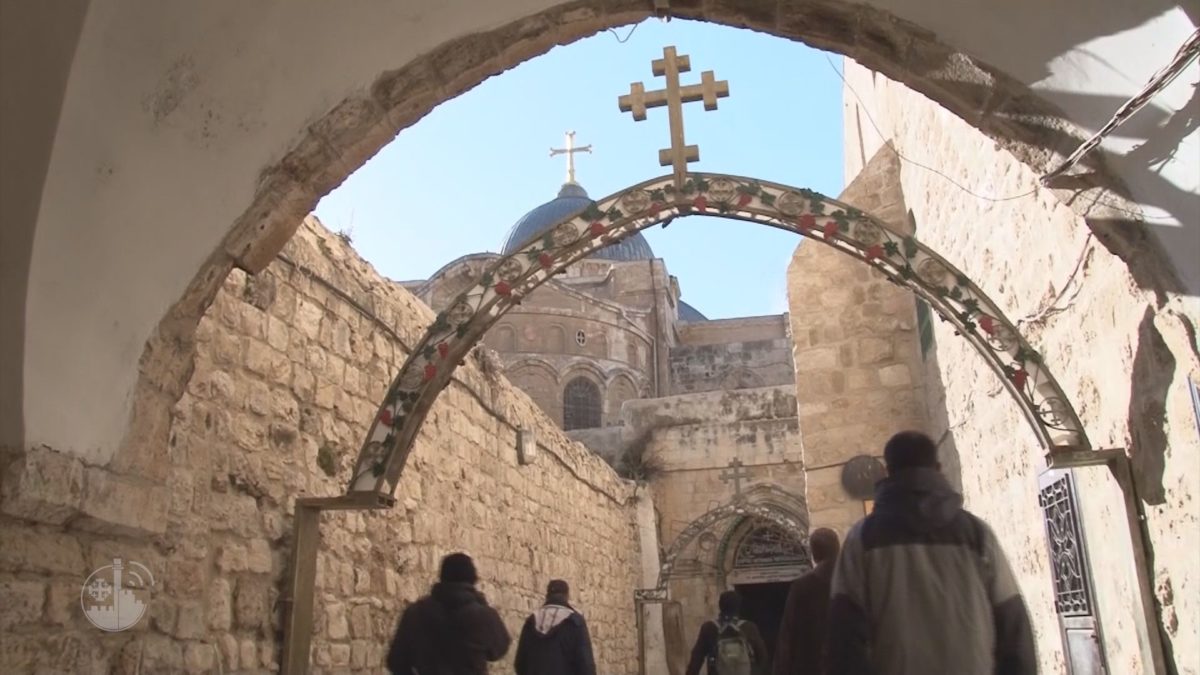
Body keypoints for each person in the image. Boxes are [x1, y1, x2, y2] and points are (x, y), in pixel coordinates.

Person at [827, 431, 1037, 674]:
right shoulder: (977, 535)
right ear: (938, 468)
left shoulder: (862, 539)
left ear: (887, 471)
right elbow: (1012, 628)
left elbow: (843, 637)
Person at [386, 552, 511, 675]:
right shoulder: (483, 615)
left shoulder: (415, 613)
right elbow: (499, 649)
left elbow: (396, 661)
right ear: (472, 579)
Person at [772, 528, 840, 675]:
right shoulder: (853, 581)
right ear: (837, 548)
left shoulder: (803, 586)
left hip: (810, 666)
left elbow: (788, 635)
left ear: (814, 554)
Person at [513, 579, 597, 675]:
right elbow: (585, 664)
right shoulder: (574, 623)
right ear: (566, 596)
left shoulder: (531, 621)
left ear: (547, 595)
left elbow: (520, 663)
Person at [685, 589, 769, 675]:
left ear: (720, 606)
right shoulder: (749, 627)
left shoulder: (709, 628)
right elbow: (763, 657)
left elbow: (696, 659)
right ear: (739, 607)